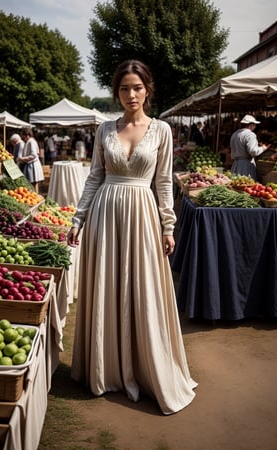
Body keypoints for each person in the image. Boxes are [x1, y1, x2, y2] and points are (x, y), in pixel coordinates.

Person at [67, 59, 197, 415]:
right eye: (124, 88)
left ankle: (145, 368)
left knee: (144, 289)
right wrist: (78, 219)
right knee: (107, 287)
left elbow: (164, 182)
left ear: (147, 89)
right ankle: (105, 368)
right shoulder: (105, 129)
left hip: (142, 216)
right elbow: (94, 177)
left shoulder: (162, 131)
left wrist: (168, 225)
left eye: (136, 87)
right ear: (117, 92)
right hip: (104, 216)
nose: (130, 94)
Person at [230, 114, 270, 180]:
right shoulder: (250, 135)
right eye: (254, 125)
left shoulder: (235, 134)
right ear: (251, 125)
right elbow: (253, 152)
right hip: (246, 165)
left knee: (235, 185)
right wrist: (263, 148)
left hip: (236, 164)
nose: (255, 126)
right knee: (246, 185)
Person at [18, 128, 44, 193]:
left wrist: (22, 159)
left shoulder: (31, 142)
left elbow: (34, 155)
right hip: (31, 165)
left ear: (27, 135)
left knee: (33, 184)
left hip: (32, 166)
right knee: (34, 184)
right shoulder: (31, 141)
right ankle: (36, 197)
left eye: (23, 137)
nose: (23, 138)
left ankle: (36, 197)